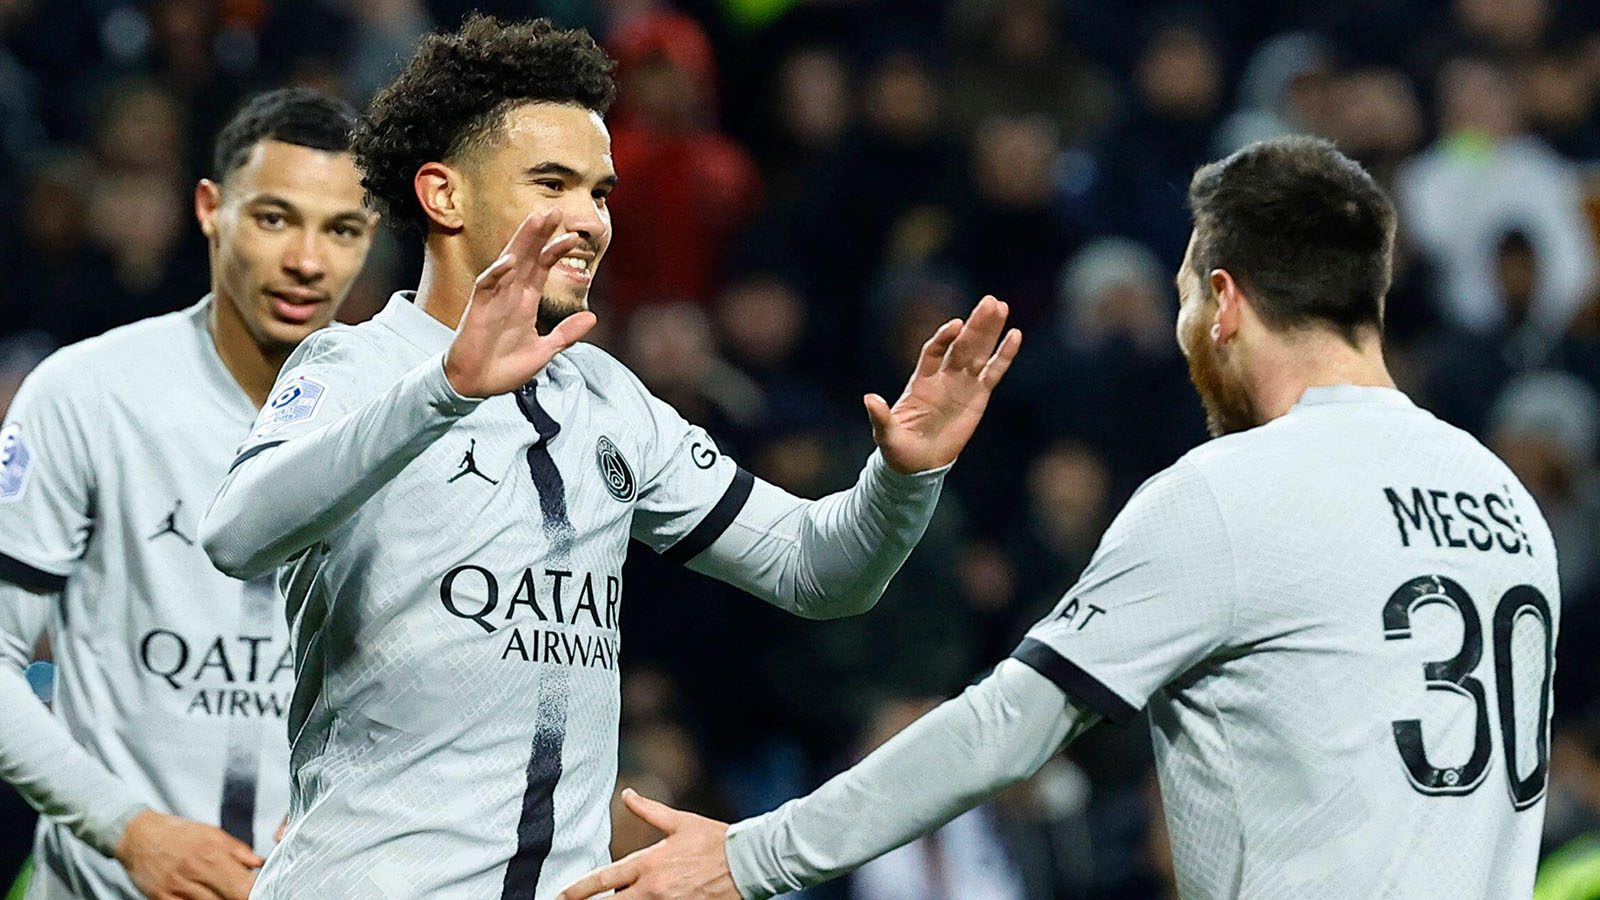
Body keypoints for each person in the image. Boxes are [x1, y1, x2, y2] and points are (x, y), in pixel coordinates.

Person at [559, 136, 1560, 900]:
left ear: (1222, 301)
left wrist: (751, 856)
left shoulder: (1231, 492)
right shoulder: (1504, 500)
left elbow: (1008, 725)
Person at [197, 15, 1019, 900]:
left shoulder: (610, 400)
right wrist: (444, 387)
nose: (591, 220)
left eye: (602, 192)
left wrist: (903, 480)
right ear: (444, 195)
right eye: (554, 183)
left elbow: (819, 571)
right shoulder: (353, 365)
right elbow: (239, 534)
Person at [0, 88, 375, 900]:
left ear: (371, 235)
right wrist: (129, 829)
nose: (308, 261)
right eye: (274, 218)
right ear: (210, 209)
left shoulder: (409, 424)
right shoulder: (87, 394)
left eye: (340, 228)